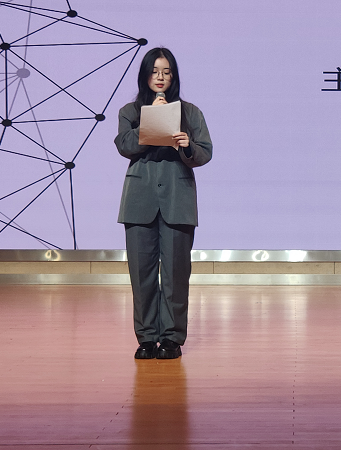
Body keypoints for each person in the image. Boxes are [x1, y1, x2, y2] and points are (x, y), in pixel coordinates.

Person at [115, 47, 212, 359]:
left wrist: (187, 146)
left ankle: (171, 338)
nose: (160, 77)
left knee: (175, 274)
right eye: (155, 71)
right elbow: (124, 145)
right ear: (145, 75)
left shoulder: (190, 112)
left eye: (166, 72)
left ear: (174, 76)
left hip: (177, 200)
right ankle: (146, 337)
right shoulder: (130, 111)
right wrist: (152, 120)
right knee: (141, 274)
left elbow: (205, 152)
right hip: (139, 201)